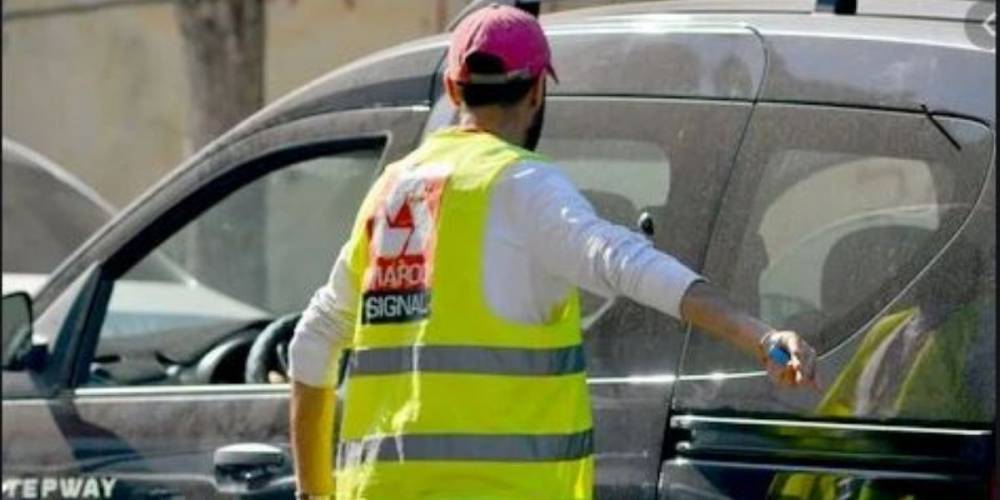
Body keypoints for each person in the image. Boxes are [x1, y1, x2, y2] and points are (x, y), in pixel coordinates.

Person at [288, 5, 817, 499]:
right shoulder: (522, 186)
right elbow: (628, 263)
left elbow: (312, 342)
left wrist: (314, 491)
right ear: (538, 90)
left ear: (453, 88)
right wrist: (761, 336)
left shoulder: (391, 190)